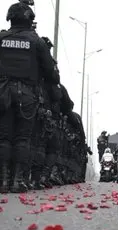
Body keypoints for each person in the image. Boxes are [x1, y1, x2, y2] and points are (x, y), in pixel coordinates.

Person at [0, 2, 60, 193]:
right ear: (29, 19)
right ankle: (18, 181)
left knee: (4, 137)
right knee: (23, 139)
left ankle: (3, 181)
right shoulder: (36, 42)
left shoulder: (1, 38)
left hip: (3, 93)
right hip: (26, 96)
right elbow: (51, 74)